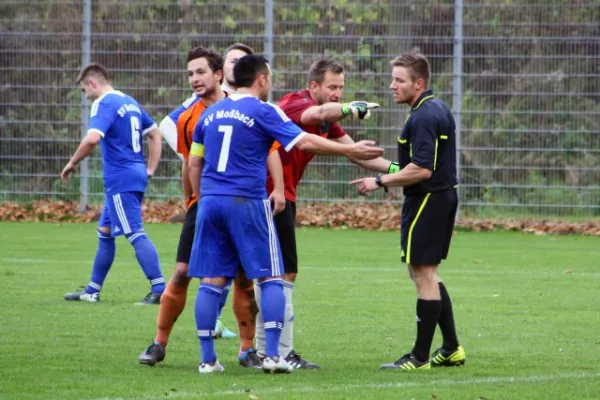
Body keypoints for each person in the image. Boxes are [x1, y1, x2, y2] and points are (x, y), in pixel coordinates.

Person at [188, 54, 383, 373]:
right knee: (271, 275)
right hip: (246, 201)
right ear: (261, 79)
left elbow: (195, 163)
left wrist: (202, 196)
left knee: (212, 280)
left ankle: (208, 360)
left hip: (210, 202)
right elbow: (303, 141)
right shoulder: (264, 110)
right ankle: (275, 355)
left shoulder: (209, 114)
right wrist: (351, 149)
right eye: (270, 79)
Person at [138, 45, 285, 366]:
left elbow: (271, 150)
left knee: (245, 280)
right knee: (181, 273)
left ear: (219, 75)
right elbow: (189, 163)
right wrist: (192, 200)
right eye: (190, 73)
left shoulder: (244, 108)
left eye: (201, 71)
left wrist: (279, 189)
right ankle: (158, 342)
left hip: (240, 201)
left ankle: (247, 350)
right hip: (205, 204)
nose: (194, 79)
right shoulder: (188, 117)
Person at [255, 58, 393, 368]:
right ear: (313, 86)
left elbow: (358, 154)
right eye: (332, 87)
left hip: (278, 195)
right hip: (270, 194)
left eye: (341, 88)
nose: (337, 94)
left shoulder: (329, 121)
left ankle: (264, 349)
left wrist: (400, 172)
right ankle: (277, 351)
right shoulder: (295, 102)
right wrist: (349, 107)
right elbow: (315, 114)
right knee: (280, 274)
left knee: (268, 274)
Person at [351, 51, 465, 370]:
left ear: (418, 83)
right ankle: (452, 347)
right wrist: (359, 156)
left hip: (429, 199)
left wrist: (379, 180)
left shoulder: (423, 116)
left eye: (399, 80)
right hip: (438, 197)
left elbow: (421, 170)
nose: (392, 85)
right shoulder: (432, 107)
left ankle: (419, 357)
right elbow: (409, 165)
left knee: (423, 273)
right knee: (423, 272)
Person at [62, 63, 165, 305]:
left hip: (121, 178)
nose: (85, 97)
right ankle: (92, 290)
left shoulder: (104, 102)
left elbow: (92, 139)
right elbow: (155, 133)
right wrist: (149, 168)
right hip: (133, 174)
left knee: (134, 232)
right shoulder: (129, 101)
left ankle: (159, 288)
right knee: (105, 232)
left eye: (84, 91)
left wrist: (71, 162)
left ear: (92, 84)